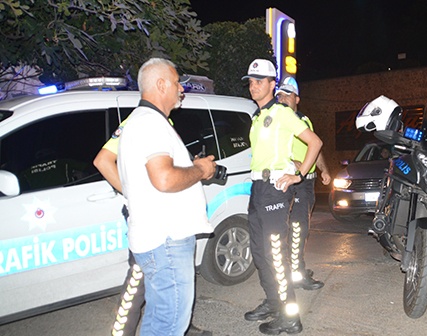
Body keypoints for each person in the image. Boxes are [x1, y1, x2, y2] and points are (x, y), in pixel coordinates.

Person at [116, 58, 217, 335]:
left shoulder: (138, 122)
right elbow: (163, 178)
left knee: (159, 319)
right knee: (170, 324)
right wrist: (200, 169)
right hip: (166, 243)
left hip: (158, 240)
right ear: (161, 85)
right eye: (176, 82)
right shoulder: (150, 123)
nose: (181, 89)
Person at [94, 117, 212, 336]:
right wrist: (133, 194)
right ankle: (122, 331)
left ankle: (183, 323)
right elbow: (102, 160)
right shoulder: (141, 121)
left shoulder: (165, 121)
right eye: (177, 83)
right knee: (138, 280)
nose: (181, 92)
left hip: (171, 217)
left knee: (174, 277)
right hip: (149, 217)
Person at [242, 59, 322, 334]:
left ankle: (290, 317)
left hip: (275, 189)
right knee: (260, 252)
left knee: (276, 253)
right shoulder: (256, 117)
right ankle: (274, 302)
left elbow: (315, 142)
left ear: (272, 84)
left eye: (259, 81)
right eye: (251, 82)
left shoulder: (282, 113)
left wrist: (299, 175)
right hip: (257, 190)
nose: (253, 86)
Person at [275, 76, 331, 291]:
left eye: (287, 94)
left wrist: (324, 169)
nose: (283, 98)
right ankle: (292, 273)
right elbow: (271, 151)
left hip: (307, 183)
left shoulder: (304, 120)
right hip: (289, 181)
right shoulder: (277, 121)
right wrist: (292, 163)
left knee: (301, 228)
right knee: (291, 229)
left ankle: (296, 270)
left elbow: (314, 148)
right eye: (280, 94)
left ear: (297, 98)